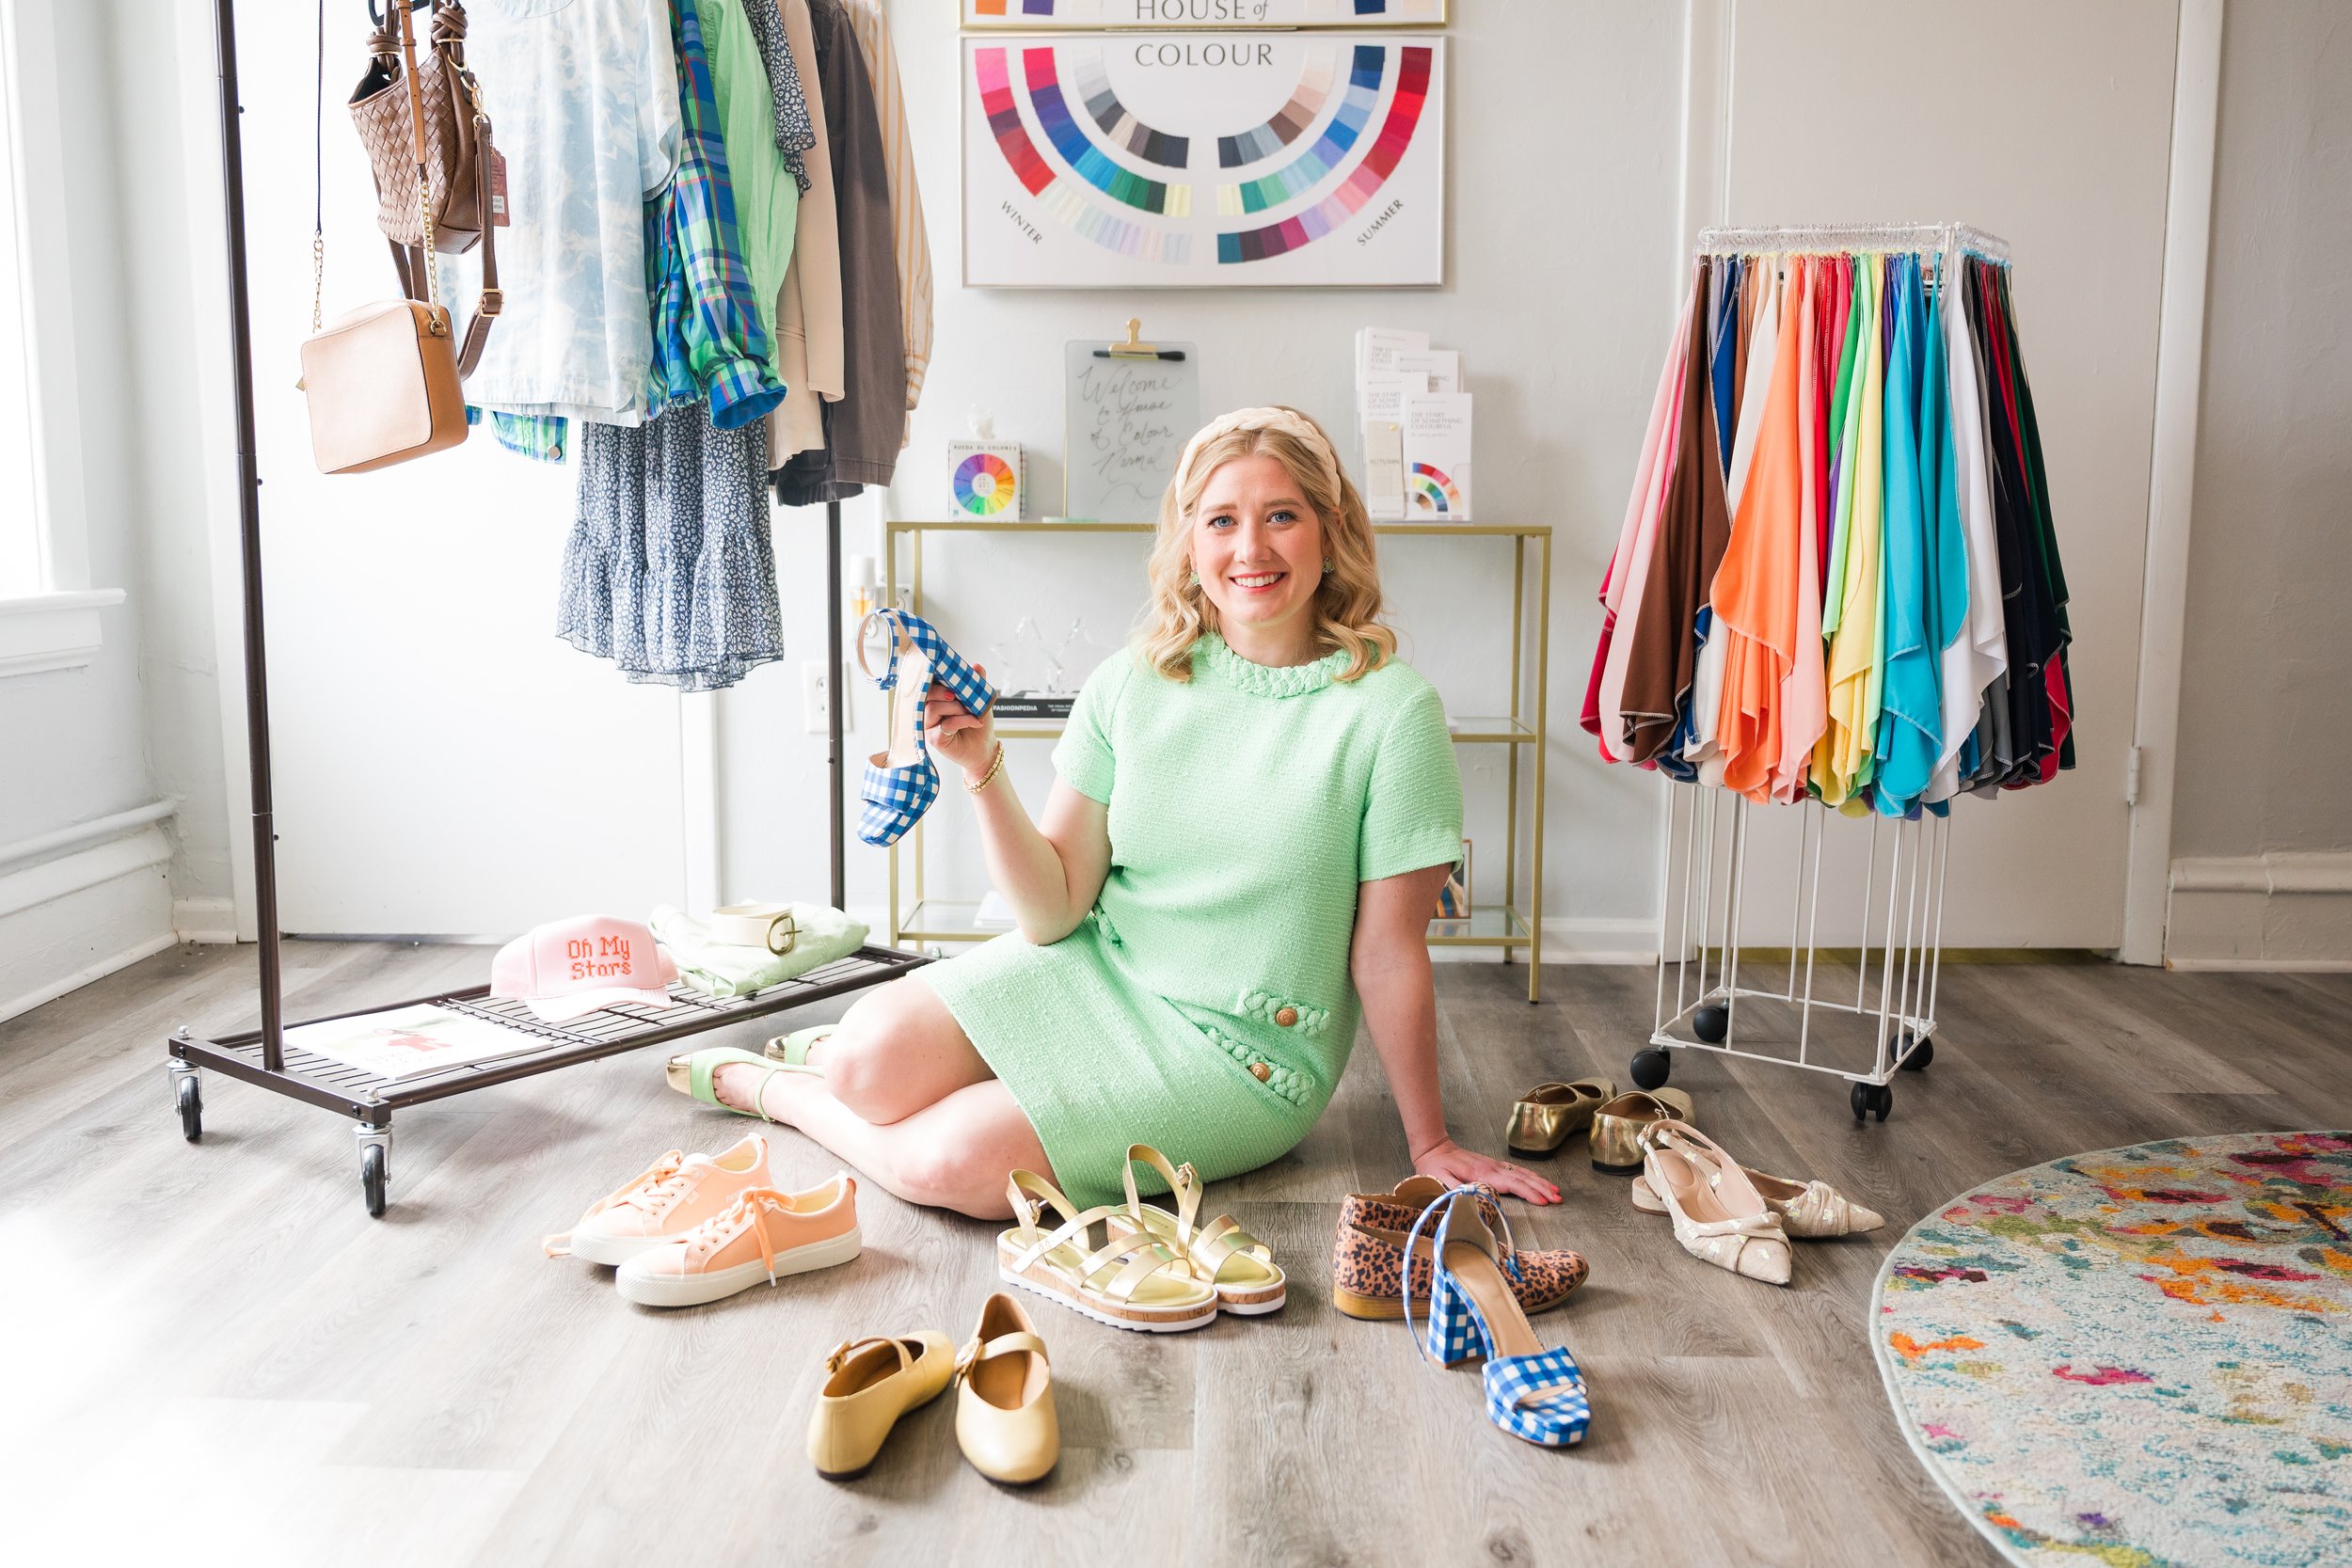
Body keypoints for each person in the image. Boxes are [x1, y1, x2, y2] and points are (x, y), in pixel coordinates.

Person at [698, 405, 1559, 1216]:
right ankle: (834, 1075)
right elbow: (1052, 911)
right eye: (1221, 519)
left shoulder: (1390, 712)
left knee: (945, 1164)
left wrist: (1431, 1139)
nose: (1250, 546)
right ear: (1189, 543)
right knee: (863, 1061)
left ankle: (782, 1092)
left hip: (1239, 1056)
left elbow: (1388, 951)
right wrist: (980, 767)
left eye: (1282, 515)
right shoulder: (1131, 683)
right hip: (1095, 970)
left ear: (1332, 533)